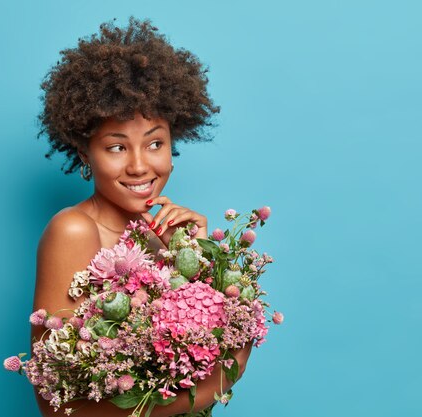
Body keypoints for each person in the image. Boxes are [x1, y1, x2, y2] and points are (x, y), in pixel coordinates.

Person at [31, 17, 252, 417]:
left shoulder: (162, 234)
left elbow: (197, 352)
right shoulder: (74, 230)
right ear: (85, 152)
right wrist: (214, 386)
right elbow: (57, 405)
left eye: (154, 143)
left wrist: (202, 262)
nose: (139, 166)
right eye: (116, 147)